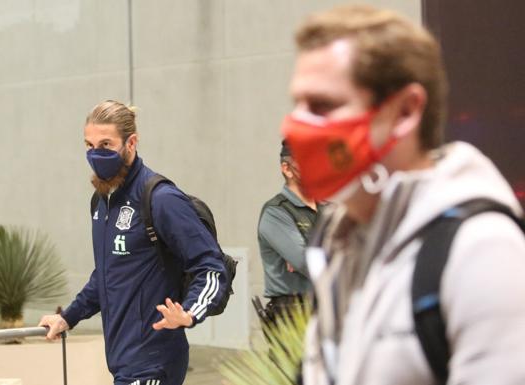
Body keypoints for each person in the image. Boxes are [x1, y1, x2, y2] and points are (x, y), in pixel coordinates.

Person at [281, 5, 525, 385]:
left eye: (322, 105)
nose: (296, 126)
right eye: (297, 104)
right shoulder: (337, 244)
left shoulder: (480, 250)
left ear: (406, 111)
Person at [38, 100, 227, 385]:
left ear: (131, 143)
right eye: (89, 145)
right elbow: (106, 275)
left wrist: (189, 312)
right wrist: (68, 317)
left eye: (106, 144)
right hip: (123, 361)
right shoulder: (102, 202)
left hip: (153, 362)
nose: (96, 154)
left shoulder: (160, 199)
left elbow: (211, 266)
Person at [257, 140, 319, 322]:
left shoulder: (328, 208)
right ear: (287, 168)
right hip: (292, 314)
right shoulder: (276, 212)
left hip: (326, 308)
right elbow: (305, 262)